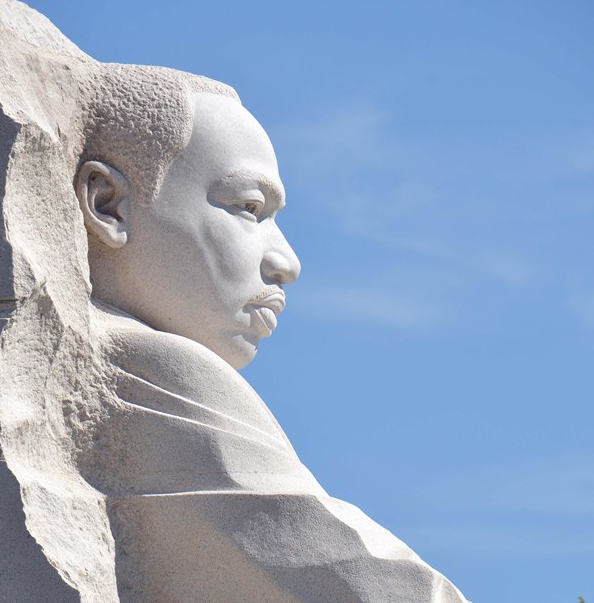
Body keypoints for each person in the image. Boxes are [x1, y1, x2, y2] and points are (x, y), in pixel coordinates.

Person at [73, 62, 469, 603]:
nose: (287, 262)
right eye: (249, 209)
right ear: (107, 204)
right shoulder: (146, 362)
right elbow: (354, 576)